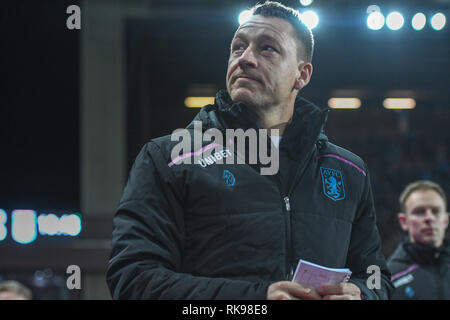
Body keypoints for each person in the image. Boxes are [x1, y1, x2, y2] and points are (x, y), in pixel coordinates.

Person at [106, 1, 392, 300]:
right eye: (238, 47)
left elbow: (376, 277)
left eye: (267, 48)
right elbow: (133, 278)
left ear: (302, 74)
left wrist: (360, 294)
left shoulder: (349, 170)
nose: (245, 58)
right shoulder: (168, 157)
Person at [388, 180, 450, 299]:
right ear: (404, 221)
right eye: (419, 212)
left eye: (436, 211)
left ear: (446, 220)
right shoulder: (388, 279)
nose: (429, 218)